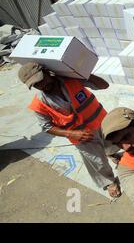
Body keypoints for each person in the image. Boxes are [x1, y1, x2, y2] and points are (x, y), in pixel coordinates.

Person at [18, 62, 121, 197]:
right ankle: (108, 181)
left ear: (47, 72)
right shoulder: (39, 104)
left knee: (111, 142)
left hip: (100, 121)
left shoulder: (71, 79)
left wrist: (84, 74)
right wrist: (71, 133)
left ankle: (111, 153)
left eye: (41, 80)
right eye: (36, 85)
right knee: (96, 161)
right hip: (81, 137)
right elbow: (46, 127)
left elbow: (104, 85)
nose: (42, 86)